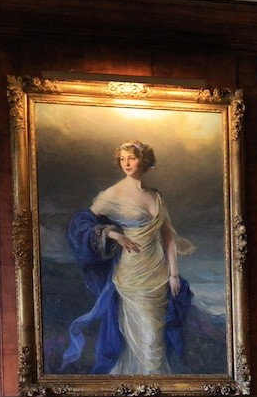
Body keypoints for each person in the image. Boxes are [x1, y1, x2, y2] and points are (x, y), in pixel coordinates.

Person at [63, 140, 197, 375]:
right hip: (132, 275)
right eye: (123, 159)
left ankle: (152, 385)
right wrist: (113, 233)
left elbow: (166, 236)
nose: (126, 163)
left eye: (132, 158)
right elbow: (80, 224)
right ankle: (145, 383)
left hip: (158, 272)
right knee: (147, 339)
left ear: (143, 161)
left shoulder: (155, 195)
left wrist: (174, 274)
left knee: (156, 337)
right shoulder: (113, 194)